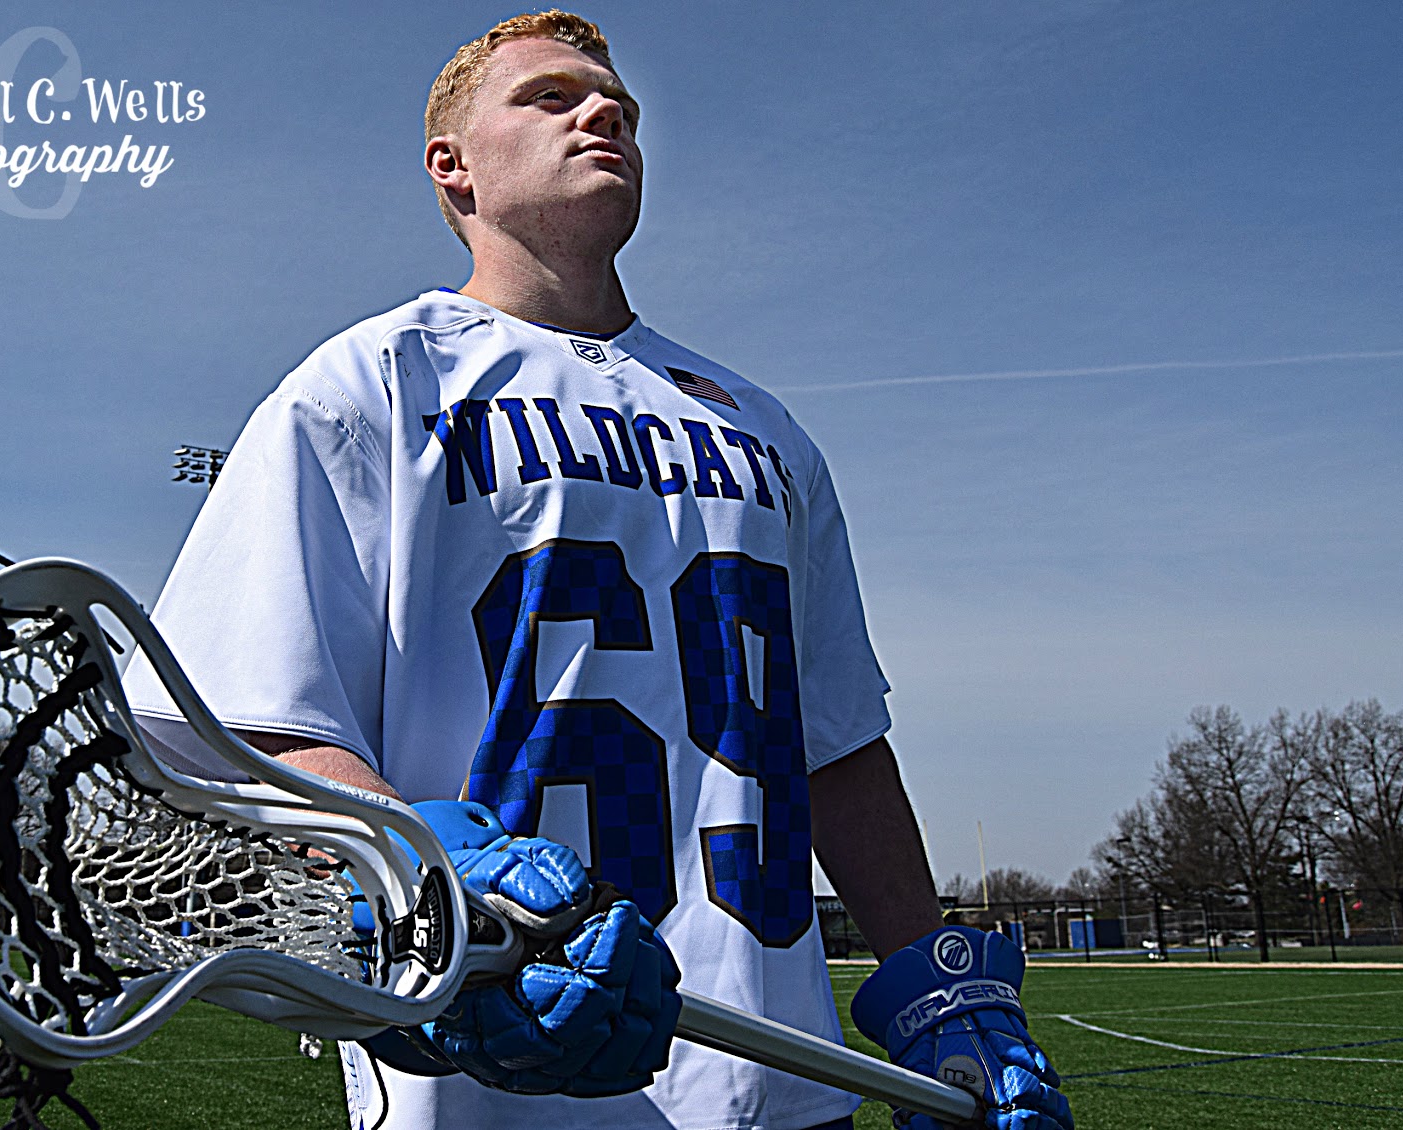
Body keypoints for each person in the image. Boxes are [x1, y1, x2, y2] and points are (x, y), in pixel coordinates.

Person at [125, 11, 1068, 1130]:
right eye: (549, 95)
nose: (604, 109)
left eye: (615, 100)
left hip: (788, 1082)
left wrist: (936, 984)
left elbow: (836, 746)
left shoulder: (763, 428)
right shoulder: (368, 384)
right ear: (452, 166)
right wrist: (434, 879)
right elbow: (254, 717)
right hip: (503, 1079)